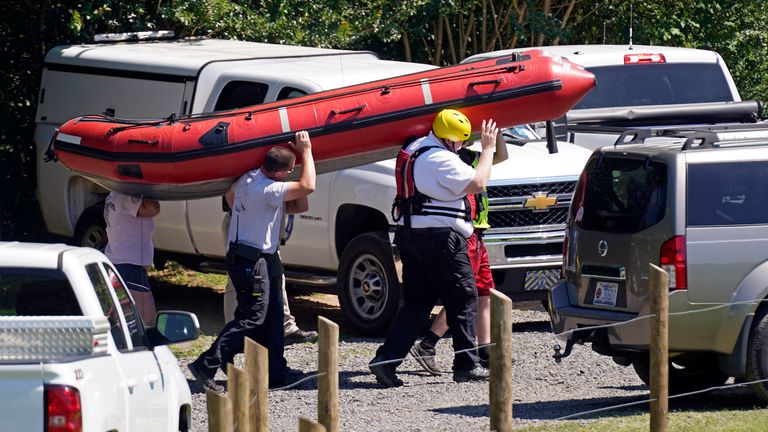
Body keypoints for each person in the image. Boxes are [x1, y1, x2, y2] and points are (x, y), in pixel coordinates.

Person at [369, 109, 497, 387]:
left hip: (412, 236)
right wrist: (488, 149)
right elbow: (478, 182)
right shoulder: (440, 158)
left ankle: (386, 361)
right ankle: (466, 365)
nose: (462, 146)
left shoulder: (415, 147)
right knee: (463, 298)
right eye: (460, 141)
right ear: (450, 140)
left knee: (416, 303)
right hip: (441, 240)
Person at [189, 130, 316, 393]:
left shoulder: (248, 178)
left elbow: (298, 204)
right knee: (253, 317)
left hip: (260, 257)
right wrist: (306, 152)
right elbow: (308, 187)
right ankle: (206, 364)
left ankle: (275, 371)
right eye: (289, 171)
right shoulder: (268, 189)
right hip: (251, 260)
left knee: (272, 316)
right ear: (281, 174)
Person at [410, 129, 508, 374]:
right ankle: (429, 343)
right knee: (465, 293)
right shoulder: (454, 160)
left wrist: (500, 132)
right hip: (467, 232)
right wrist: (486, 147)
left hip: (480, 230)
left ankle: (485, 350)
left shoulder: (474, 157)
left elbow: (501, 156)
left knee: (484, 289)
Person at [222, 212, 318, 345]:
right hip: (244, 226)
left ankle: (285, 328)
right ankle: (235, 335)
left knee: (276, 276)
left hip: (267, 225)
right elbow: (232, 199)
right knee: (240, 282)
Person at [103, 191, 160, 326]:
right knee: (146, 321)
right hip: (129, 266)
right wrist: (150, 187)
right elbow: (152, 209)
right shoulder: (127, 195)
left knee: (125, 319)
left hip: (122, 264)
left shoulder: (115, 194)